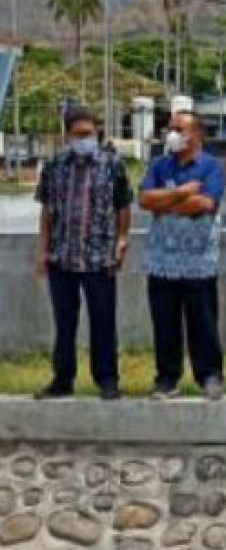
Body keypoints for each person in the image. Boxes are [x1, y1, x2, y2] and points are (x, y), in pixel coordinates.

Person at [34, 107, 132, 400]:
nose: (85, 139)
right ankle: (62, 379)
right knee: (65, 323)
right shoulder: (54, 166)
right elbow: (47, 211)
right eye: (79, 134)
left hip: (100, 256)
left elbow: (123, 206)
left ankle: (107, 379)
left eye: (89, 134)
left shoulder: (112, 164)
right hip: (62, 255)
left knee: (103, 321)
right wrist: (42, 250)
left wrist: (122, 239)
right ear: (67, 135)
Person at [138, 110, 226, 401]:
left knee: (203, 321)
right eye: (170, 128)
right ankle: (166, 378)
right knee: (164, 323)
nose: (172, 134)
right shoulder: (160, 165)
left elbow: (204, 203)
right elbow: (144, 199)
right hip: (162, 259)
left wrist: (165, 201)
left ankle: (210, 375)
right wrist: (181, 193)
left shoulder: (212, 166)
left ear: (197, 134)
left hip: (199, 261)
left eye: (179, 129)